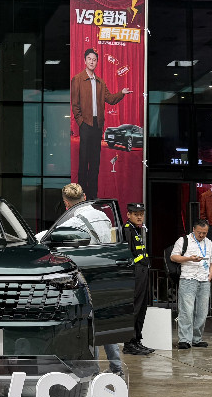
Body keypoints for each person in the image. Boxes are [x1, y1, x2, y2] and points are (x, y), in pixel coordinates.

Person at [57, 184, 125, 376]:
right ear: (85, 197)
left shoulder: (70, 224)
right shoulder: (103, 216)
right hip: (105, 273)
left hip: (85, 276)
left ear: (66, 203)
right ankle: (116, 367)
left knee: (88, 323)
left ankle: (93, 369)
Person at [69, 48, 132, 200]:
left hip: (97, 126)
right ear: (85, 61)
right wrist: (81, 122)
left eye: (94, 59)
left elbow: (110, 99)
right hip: (85, 125)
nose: (92, 61)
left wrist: (121, 93)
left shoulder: (100, 82)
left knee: (95, 163)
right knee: (83, 162)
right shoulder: (77, 79)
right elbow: (75, 105)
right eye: (89, 59)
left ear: (97, 62)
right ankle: (81, 196)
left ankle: (92, 196)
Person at [171, 219, 212, 349]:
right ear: (193, 229)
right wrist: (189, 258)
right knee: (186, 310)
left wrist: (209, 277)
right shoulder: (183, 240)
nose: (201, 235)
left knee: (202, 311)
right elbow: (173, 257)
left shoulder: (209, 243)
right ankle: (184, 339)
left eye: (204, 233)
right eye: (199, 232)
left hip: (204, 280)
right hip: (188, 278)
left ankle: (197, 338)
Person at [121, 202, 154, 356]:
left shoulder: (137, 229)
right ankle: (129, 343)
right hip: (135, 272)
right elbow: (127, 255)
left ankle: (136, 341)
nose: (139, 217)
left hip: (142, 271)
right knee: (135, 307)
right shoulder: (127, 230)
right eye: (136, 214)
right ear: (129, 215)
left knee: (141, 308)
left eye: (141, 214)